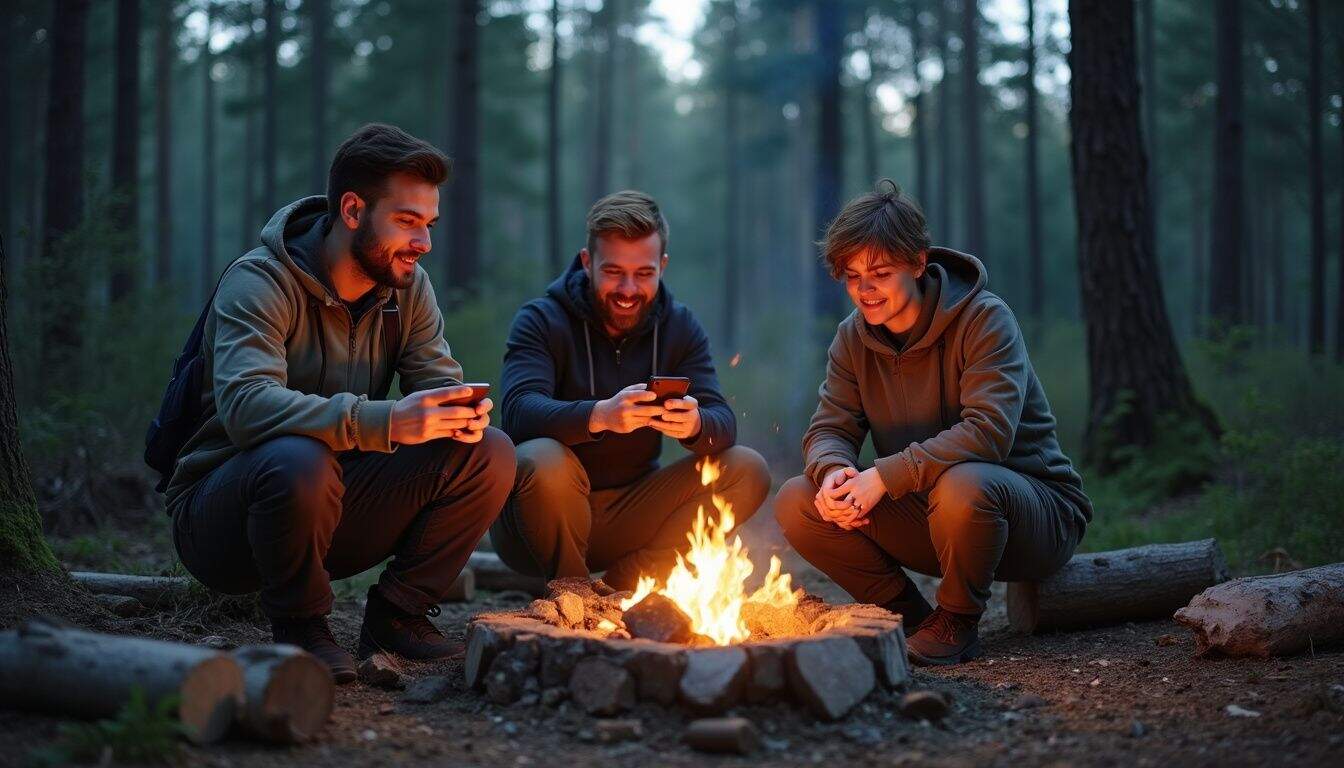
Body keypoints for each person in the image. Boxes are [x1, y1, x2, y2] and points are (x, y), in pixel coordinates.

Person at [164, 124, 515, 682]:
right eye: (406, 222)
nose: (423, 243)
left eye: (428, 224)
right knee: (298, 459)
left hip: (330, 506)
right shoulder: (260, 281)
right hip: (224, 519)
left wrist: (457, 414)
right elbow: (247, 407)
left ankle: (397, 617)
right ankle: (301, 626)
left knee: (488, 452)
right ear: (352, 210)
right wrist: (387, 420)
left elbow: (435, 380)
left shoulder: (408, 288)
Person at [774, 180, 1092, 666]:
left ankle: (959, 622)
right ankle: (913, 621)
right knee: (799, 500)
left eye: (880, 271)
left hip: (1033, 513)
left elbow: (988, 431)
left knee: (965, 483)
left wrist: (883, 475)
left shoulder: (984, 320)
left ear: (919, 263)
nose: (865, 288)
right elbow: (829, 428)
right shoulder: (852, 339)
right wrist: (833, 470)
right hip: (929, 514)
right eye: (852, 274)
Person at [492, 190, 771, 592]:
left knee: (746, 467)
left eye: (644, 273)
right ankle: (572, 591)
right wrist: (600, 415)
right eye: (613, 272)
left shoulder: (679, 326)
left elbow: (722, 423)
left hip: (632, 512)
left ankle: (627, 584)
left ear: (663, 265)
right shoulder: (541, 319)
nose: (627, 289)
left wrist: (695, 424)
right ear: (587, 263)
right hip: (535, 521)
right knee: (543, 456)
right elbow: (518, 413)